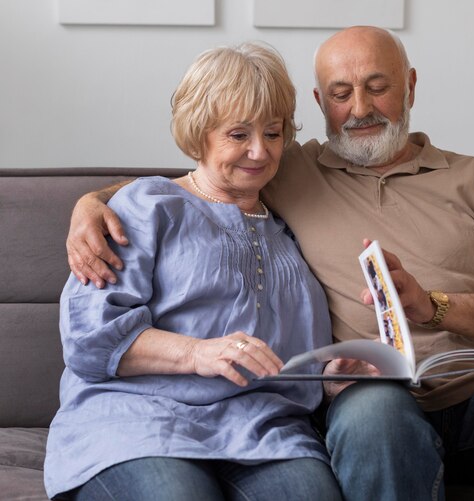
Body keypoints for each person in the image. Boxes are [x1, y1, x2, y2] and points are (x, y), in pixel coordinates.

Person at [65, 26, 474, 501]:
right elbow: (199, 182)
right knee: (374, 418)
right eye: (342, 94)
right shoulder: (287, 171)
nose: (361, 108)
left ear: (410, 85)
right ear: (322, 104)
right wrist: (91, 204)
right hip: (360, 396)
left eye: (378, 85)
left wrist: (428, 310)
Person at [44, 42, 343, 501]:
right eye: (238, 135)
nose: (260, 152)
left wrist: (335, 374)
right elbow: (90, 336)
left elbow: (297, 362)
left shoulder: (290, 230)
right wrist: (197, 353)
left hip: (263, 431)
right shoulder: (147, 207)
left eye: (274, 133)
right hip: (140, 421)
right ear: (199, 132)